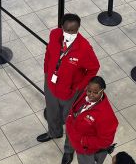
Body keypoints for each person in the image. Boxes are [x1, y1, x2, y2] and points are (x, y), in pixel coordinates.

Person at [37, 13, 100, 145]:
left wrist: (79, 87)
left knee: (71, 120)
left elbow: (94, 67)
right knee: (52, 111)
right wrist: (46, 71)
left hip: (69, 92)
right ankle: (54, 132)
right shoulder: (54, 34)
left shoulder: (84, 48)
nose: (71, 33)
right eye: (67, 30)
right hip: (51, 84)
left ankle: (69, 147)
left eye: (74, 31)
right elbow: (48, 53)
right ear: (62, 27)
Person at [61, 76, 118, 164]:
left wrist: (83, 141)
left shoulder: (106, 115)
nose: (90, 95)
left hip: (86, 149)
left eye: (95, 92)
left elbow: (106, 141)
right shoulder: (85, 95)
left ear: (102, 91)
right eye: (89, 90)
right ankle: (69, 151)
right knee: (70, 141)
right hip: (74, 133)